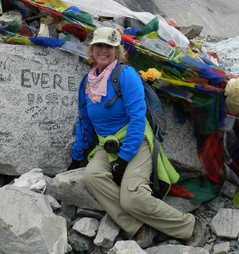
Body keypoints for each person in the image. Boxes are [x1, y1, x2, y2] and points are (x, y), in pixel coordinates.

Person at [68, 27, 206, 248]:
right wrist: (77, 157)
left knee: (132, 196)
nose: (104, 50)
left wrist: (124, 159)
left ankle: (189, 226)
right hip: (108, 146)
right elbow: (84, 123)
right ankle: (139, 227)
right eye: (99, 46)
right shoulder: (87, 82)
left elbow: (137, 119)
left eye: (109, 46)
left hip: (137, 142)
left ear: (117, 50)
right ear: (92, 50)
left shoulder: (126, 75)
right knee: (91, 177)